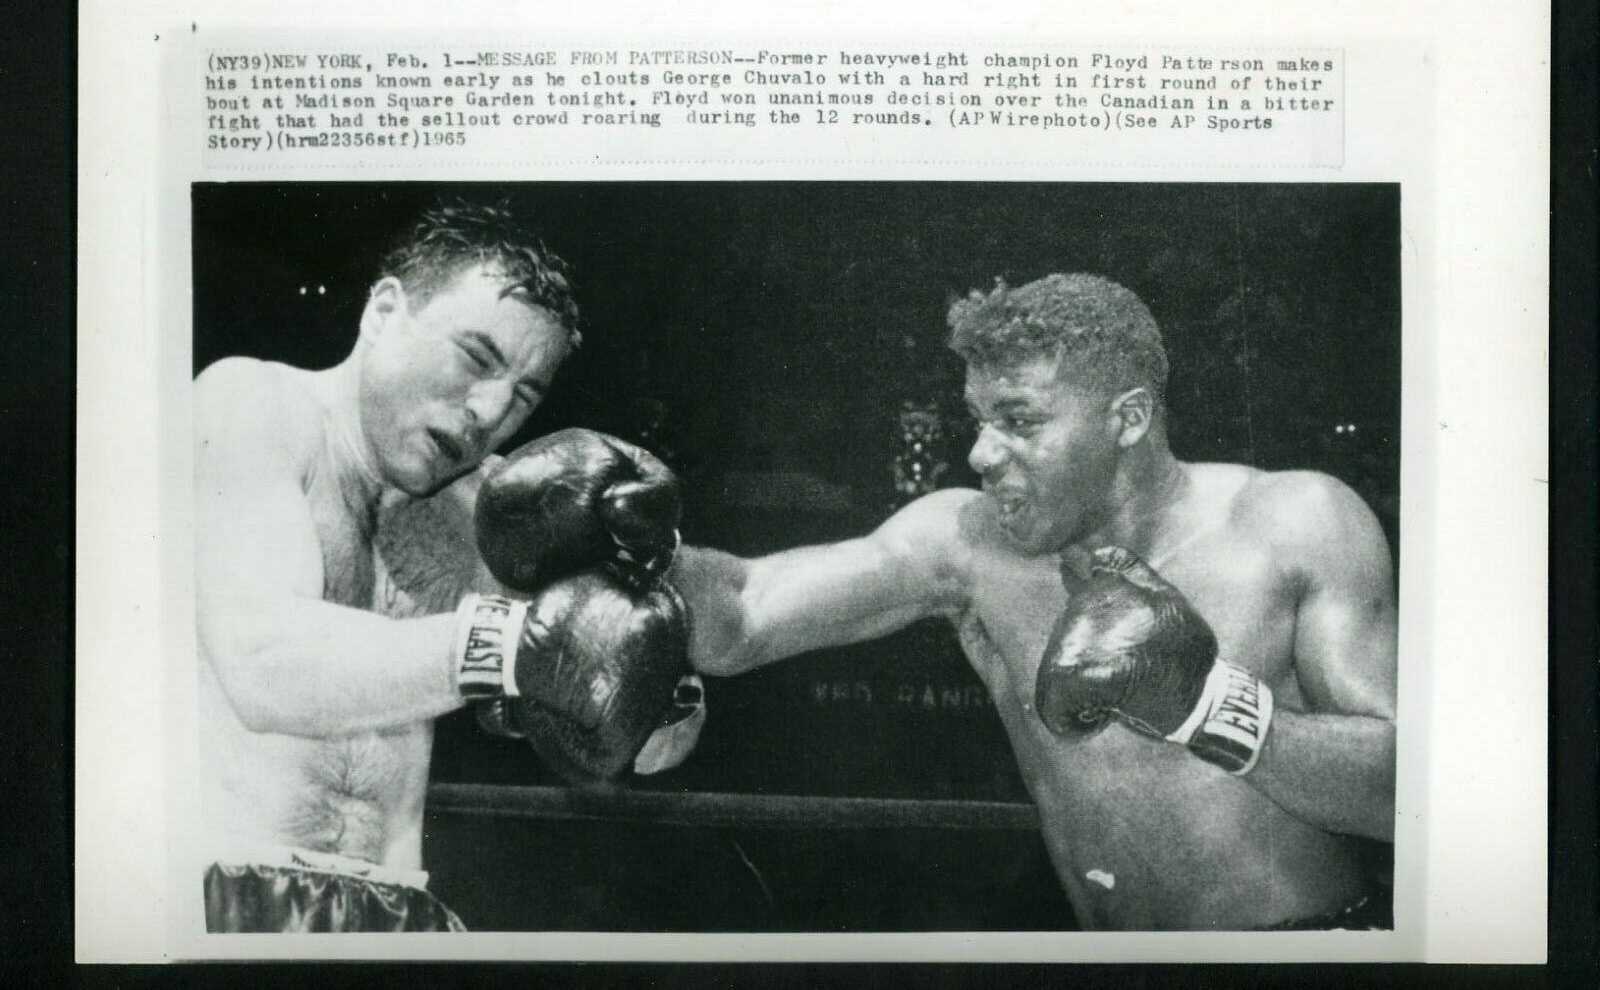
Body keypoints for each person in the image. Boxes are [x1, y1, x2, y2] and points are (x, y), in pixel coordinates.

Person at [659, 273, 1398, 931]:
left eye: (1019, 420)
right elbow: (742, 617)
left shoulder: (1293, 521)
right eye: (978, 420)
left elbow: (1408, 796)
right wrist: (648, 544)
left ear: (1128, 418)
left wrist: (1208, 706)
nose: (981, 452)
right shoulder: (969, 544)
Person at [194, 203, 696, 934]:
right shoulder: (253, 405)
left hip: (396, 911)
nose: (489, 411)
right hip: (223, 897)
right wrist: (517, 646)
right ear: (384, 310)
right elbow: (264, 664)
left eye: (524, 395)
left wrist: (652, 680)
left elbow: (644, 750)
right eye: (476, 357)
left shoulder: (482, 510)